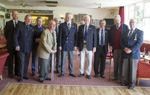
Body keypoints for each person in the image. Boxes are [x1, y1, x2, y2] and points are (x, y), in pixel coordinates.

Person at [121, 19, 143, 89]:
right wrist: (125, 48)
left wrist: (131, 50)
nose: (131, 24)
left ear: (136, 23)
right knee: (126, 68)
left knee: (133, 70)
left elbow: (139, 43)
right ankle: (126, 81)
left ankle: (132, 83)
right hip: (125, 52)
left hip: (134, 53)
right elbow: (121, 42)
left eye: (133, 22)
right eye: (130, 22)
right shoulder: (125, 32)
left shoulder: (140, 32)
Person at [14, 15, 35, 82]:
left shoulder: (32, 27)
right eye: (28, 19)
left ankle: (24, 74)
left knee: (26, 62)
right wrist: (17, 45)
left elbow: (34, 36)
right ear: (25, 19)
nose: (29, 20)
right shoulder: (20, 25)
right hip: (21, 47)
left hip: (28, 47)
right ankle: (21, 76)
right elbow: (15, 35)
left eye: (30, 19)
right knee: (21, 62)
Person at [109, 15, 129, 83]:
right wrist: (110, 45)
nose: (116, 21)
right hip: (114, 48)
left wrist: (126, 47)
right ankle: (115, 76)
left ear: (120, 20)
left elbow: (127, 37)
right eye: (115, 20)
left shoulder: (125, 27)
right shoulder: (112, 27)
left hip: (122, 48)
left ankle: (119, 78)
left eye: (117, 20)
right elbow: (110, 37)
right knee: (115, 63)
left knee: (120, 63)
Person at [58, 13, 77, 77]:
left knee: (71, 60)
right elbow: (59, 36)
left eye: (70, 17)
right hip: (64, 44)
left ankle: (71, 72)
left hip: (71, 45)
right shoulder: (62, 25)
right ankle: (62, 72)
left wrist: (75, 45)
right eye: (67, 17)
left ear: (71, 17)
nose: (68, 18)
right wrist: (60, 45)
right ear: (66, 17)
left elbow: (76, 36)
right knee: (63, 59)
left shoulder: (75, 25)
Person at [77, 15, 97, 79]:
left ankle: (88, 73)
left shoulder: (93, 27)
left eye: (88, 19)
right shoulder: (80, 27)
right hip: (82, 46)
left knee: (89, 61)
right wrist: (77, 46)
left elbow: (95, 38)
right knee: (81, 60)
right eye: (85, 19)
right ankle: (81, 72)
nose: (87, 20)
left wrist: (94, 47)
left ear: (90, 20)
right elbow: (78, 38)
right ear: (84, 20)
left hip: (90, 47)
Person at [4, 11, 21, 78]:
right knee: (10, 60)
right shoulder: (8, 23)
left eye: (16, 14)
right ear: (12, 15)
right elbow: (6, 34)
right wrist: (10, 40)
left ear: (17, 15)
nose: (15, 15)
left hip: (18, 45)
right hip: (10, 45)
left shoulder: (20, 23)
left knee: (17, 59)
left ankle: (16, 72)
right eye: (14, 14)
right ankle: (10, 73)